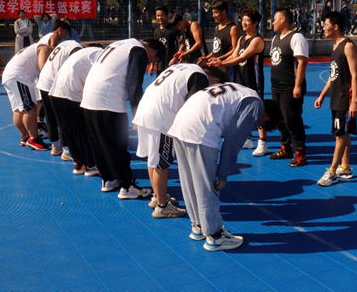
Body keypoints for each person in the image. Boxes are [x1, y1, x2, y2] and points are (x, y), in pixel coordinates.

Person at [167, 83, 281, 251]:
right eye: (259, 125)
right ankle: (215, 236)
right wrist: (223, 173)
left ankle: (198, 225)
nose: (256, 126)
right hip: (201, 129)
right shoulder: (255, 105)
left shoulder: (243, 92)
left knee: (189, 180)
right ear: (266, 117)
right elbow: (233, 140)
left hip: (181, 122)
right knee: (207, 185)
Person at [133, 64, 228, 219]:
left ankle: (157, 196)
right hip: (160, 117)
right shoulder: (200, 78)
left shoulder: (186, 67)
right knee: (161, 163)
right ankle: (162, 206)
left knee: (153, 159)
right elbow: (193, 107)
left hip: (145, 110)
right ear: (216, 80)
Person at [81, 38, 164, 199]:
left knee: (99, 144)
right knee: (118, 145)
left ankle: (108, 179)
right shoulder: (139, 50)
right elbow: (134, 85)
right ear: (154, 52)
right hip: (108, 100)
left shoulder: (122, 44)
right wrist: (139, 115)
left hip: (89, 98)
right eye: (152, 61)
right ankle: (126, 187)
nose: (149, 63)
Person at [1, 21, 72, 151]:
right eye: (65, 33)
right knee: (30, 109)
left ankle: (26, 137)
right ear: (58, 31)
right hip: (20, 76)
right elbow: (43, 68)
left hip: (11, 75)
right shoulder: (45, 46)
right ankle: (33, 139)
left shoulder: (37, 46)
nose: (64, 37)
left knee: (19, 109)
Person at [209, 7, 268, 156]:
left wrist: (222, 64)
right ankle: (247, 139)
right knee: (242, 109)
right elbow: (234, 55)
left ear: (255, 23)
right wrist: (218, 60)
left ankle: (262, 143)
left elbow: (242, 57)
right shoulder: (242, 39)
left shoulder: (257, 40)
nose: (244, 23)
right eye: (243, 20)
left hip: (253, 81)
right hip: (240, 80)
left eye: (248, 21)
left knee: (259, 111)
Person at [315, 11, 357, 186]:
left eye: (326, 25)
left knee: (339, 135)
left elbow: (355, 75)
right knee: (344, 132)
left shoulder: (348, 46)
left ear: (335, 27)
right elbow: (333, 74)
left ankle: (332, 171)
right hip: (336, 98)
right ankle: (345, 167)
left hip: (345, 98)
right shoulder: (335, 46)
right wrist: (322, 95)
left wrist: (354, 101)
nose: (324, 28)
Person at [49, 44, 104, 176]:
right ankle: (91, 165)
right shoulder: (100, 57)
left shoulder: (87, 54)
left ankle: (78, 164)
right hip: (71, 93)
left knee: (70, 131)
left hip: (55, 91)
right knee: (82, 131)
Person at [269, 9, 309, 167]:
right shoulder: (275, 39)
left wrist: (297, 86)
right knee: (280, 119)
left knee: (292, 119)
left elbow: (302, 62)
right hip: (277, 86)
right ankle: (285, 148)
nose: (273, 23)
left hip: (290, 87)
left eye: (275, 19)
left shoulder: (296, 38)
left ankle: (300, 153)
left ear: (283, 20)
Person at [37, 39, 84, 157]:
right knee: (62, 117)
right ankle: (67, 150)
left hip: (43, 80)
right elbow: (75, 66)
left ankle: (56, 147)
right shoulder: (76, 48)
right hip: (54, 83)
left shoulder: (65, 44)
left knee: (50, 116)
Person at [197, 0, 240, 69]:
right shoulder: (217, 28)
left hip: (227, 67)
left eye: (216, 13)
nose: (213, 16)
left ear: (224, 12)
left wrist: (219, 59)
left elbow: (235, 50)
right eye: (213, 13)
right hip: (215, 67)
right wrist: (206, 58)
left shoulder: (233, 29)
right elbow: (216, 50)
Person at [152, 6, 181, 76]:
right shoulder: (156, 31)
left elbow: (183, 44)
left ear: (167, 15)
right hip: (160, 66)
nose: (160, 18)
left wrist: (175, 58)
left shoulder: (173, 29)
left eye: (162, 15)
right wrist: (152, 64)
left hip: (171, 65)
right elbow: (154, 49)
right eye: (158, 16)